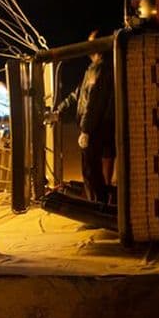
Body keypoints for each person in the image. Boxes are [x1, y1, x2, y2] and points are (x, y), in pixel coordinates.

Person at [52, 30, 115, 203]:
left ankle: (97, 203)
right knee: (92, 169)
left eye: (91, 44)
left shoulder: (99, 70)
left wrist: (86, 130)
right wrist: (60, 110)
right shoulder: (93, 69)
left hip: (95, 128)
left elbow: (94, 102)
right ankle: (98, 200)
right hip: (94, 126)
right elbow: (77, 94)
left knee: (90, 170)